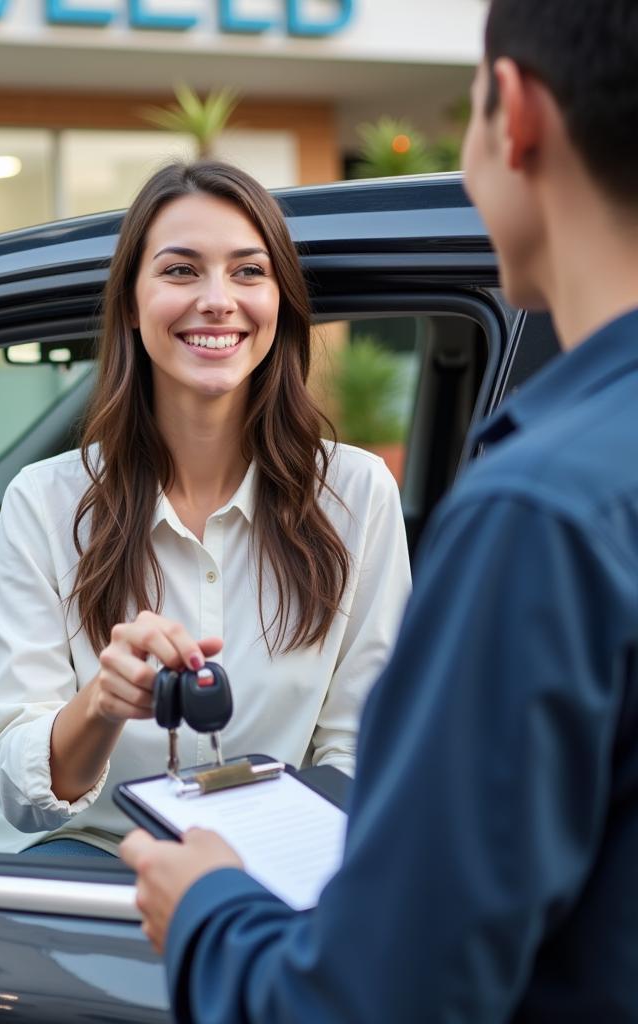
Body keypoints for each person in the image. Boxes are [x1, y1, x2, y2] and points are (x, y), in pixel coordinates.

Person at [121, 0, 638, 1018]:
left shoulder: (543, 513)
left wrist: (208, 913)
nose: (214, 302)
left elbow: (379, 999)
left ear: (514, 113)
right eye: (178, 271)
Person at [0, 161, 410, 856]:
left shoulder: (358, 495)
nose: (218, 300)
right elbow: (24, 795)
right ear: (131, 306)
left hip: (267, 878)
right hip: (73, 877)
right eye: (180, 271)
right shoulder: (45, 503)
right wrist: (103, 703)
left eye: (249, 272)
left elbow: (362, 755)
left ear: (281, 301)